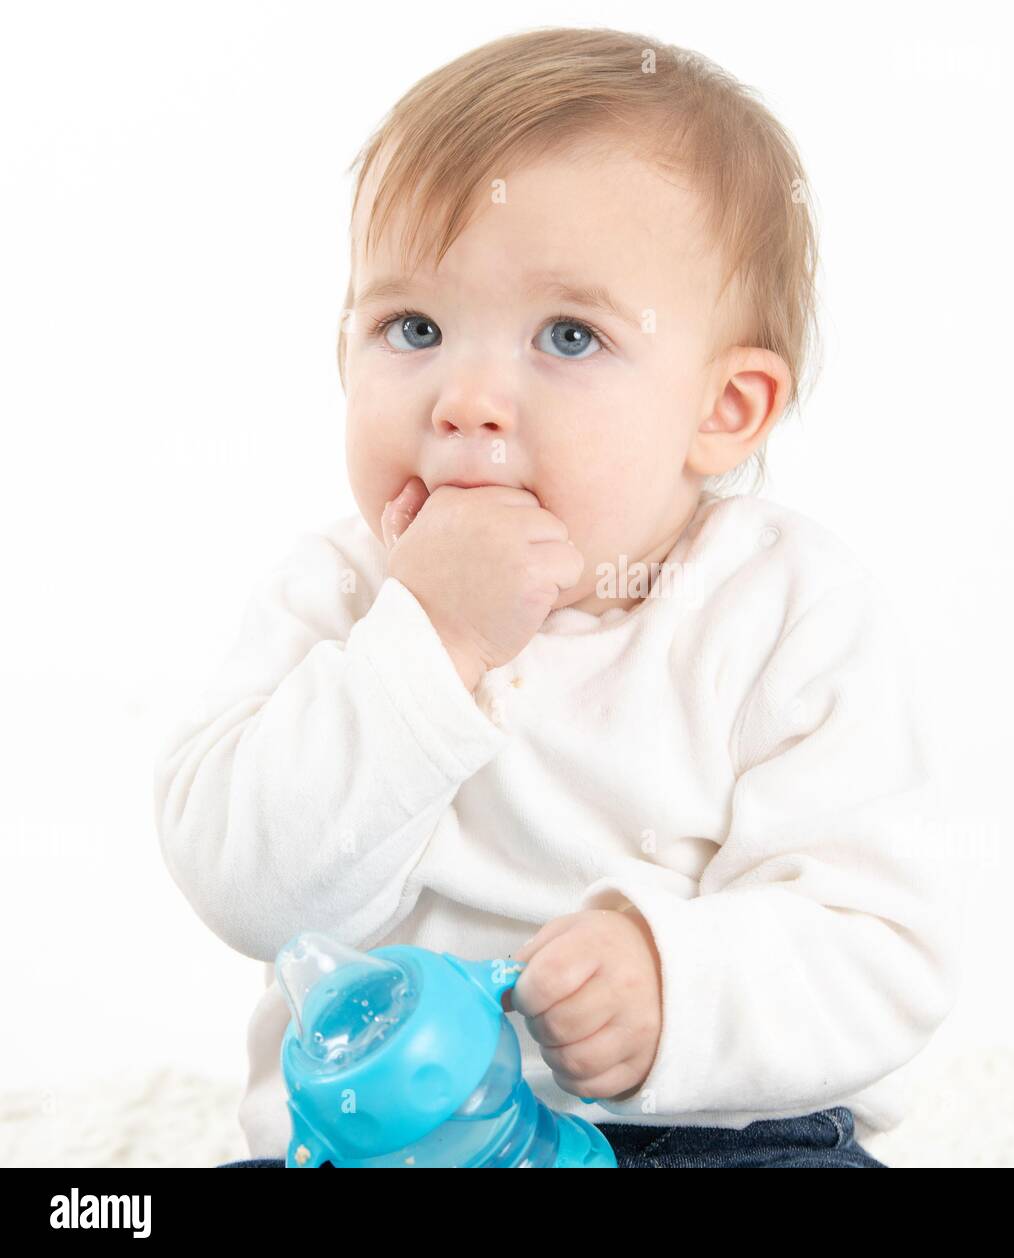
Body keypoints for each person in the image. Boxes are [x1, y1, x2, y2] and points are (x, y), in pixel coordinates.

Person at [157, 25, 960, 1170]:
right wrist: (428, 640)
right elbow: (254, 896)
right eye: (414, 328)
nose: (466, 399)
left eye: (568, 336)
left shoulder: (786, 607)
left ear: (721, 409)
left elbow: (882, 945)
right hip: (383, 1147)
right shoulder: (337, 598)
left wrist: (671, 980)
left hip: (709, 1136)